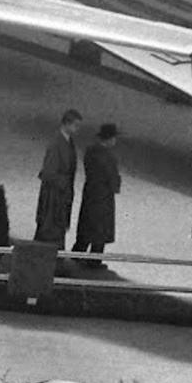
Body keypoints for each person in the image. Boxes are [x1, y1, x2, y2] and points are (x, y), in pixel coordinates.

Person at [72, 122, 121, 268]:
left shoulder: (90, 151)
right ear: (110, 139)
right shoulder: (109, 157)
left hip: (90, 192)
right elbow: (113, 178)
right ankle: (94, 260)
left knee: (86, 224)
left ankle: (77, 253)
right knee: (100, 229)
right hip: (104, 195)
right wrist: (115, 186)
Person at [33, 109, 81, 253]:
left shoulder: (67, 141)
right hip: (54, 196)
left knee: (58, 227)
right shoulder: (56, 143)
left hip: (61, 193)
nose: (77, 129)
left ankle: (54, 255)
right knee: (51, 227)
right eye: (76, 125)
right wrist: (63, 184)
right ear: (67, 124)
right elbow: (48, 172)